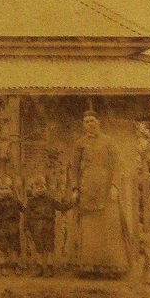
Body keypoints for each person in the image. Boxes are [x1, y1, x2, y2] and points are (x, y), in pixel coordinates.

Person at [71, 109, 130, 278]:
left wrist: (114, 186)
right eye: (87, 121)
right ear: (83, 125)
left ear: (99, 123)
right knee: (90, 229)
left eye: (93, 121)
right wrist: (75, 189)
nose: (90, 124)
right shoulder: (79, 144)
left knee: (109, 229)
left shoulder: (109, 142)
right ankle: (89, 268)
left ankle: (112, 268)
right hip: (87, 190)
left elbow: (117, 166)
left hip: (106, 191)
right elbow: (74, 169)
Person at [25, 175, 75, 277]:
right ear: (33, 188)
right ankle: (40, 268)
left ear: (45, 187)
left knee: (49, 247)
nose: (40, 189)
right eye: (37, 187)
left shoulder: (50, 200)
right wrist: (26, 228)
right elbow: (27, 216)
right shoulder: (31, 202)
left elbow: (61, 207)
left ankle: (49, 268)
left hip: (48, 226)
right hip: (36, 226)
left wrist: (71, 203)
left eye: (42, 186)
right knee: (39, 247)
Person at [0, 176, 24, 275]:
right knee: (3, 247)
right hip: (2, 226)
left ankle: (15, 266)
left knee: (15, 246)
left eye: (7, 188)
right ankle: (3, 266)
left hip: (13, 225)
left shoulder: (14, 200)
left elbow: (22, 208)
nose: (4, 191)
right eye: (1, 189)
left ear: (11, 190)